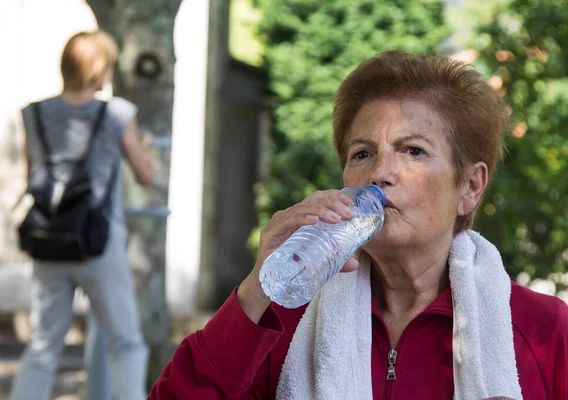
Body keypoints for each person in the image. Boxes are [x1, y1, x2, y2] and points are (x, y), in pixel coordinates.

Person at [147, 51, 568, 399]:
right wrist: (257, 287)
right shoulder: (285, 322)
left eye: (413, 151)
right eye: (362, 154)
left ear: (470, 187)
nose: (380, 172)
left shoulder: (542, 330)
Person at [10, 30, 153, 400]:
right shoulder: (117, 114)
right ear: (100, 69)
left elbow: (32, 176)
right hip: (98, 245)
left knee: (42, 346)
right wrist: (144, 149)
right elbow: (145, 175)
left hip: (47, 242)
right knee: (126, 342)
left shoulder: (34, 113)